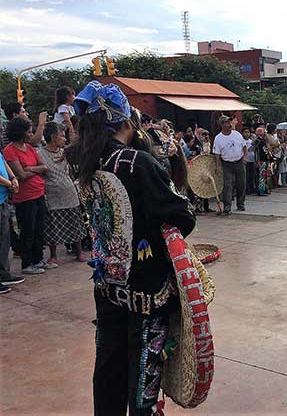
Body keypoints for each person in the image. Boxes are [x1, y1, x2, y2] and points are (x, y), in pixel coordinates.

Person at [64, 81, 195, 415]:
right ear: (125, 121)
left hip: (107, 287)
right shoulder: (137, 162)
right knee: (142, 384)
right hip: (146, 294)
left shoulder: (83, 163)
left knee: (107, 371)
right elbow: (183, 217)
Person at [3, 117, 50, 274]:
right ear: (20, 133)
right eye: (29, 132)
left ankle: (38, 259)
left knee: (39, 229)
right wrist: (34, 169)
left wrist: (30, 168)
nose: (31, 135)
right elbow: (21, 175)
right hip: (25, 197)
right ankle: (27, 263)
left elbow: (44, 166)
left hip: (38, 193)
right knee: (28, 230)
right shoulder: (10, 151)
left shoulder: (29, 148)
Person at [38, 122, 86, 265]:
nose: (65, 139)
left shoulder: (65, 152)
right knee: (53, 225)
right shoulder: (40, 154)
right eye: (62, 136)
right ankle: (53, 255)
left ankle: (79, 251)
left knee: (75, 223)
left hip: (69, 192)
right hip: (52, 194)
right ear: (53, 137)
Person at [0, 148, 24, 293]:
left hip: (3, 199)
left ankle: (3, 273)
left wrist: (13, 177)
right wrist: (10, 184)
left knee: (4, 240)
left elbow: (3, 161)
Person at [213, 115, 248, 214]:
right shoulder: (218, 138)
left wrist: (245, 157)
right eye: (227, 122)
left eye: (229, 122)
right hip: (227, 164)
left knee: (241, 183)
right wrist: (217, 166)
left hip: (239, 161)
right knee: (227, 185)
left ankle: (241, 204)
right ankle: (227, 206)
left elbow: (244, 147)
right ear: (222, 125)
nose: (229, 124)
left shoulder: (237, 134)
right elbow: (217, 154)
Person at [242, 127, 256, 195]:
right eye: (245, 132)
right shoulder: (242, 141)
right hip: (246, 160)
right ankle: (246, 189)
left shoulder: (251, 141)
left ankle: (251, 187)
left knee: (251, 175)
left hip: (252, 159)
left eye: (248, 132)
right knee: (246, 175)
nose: (247, 134)